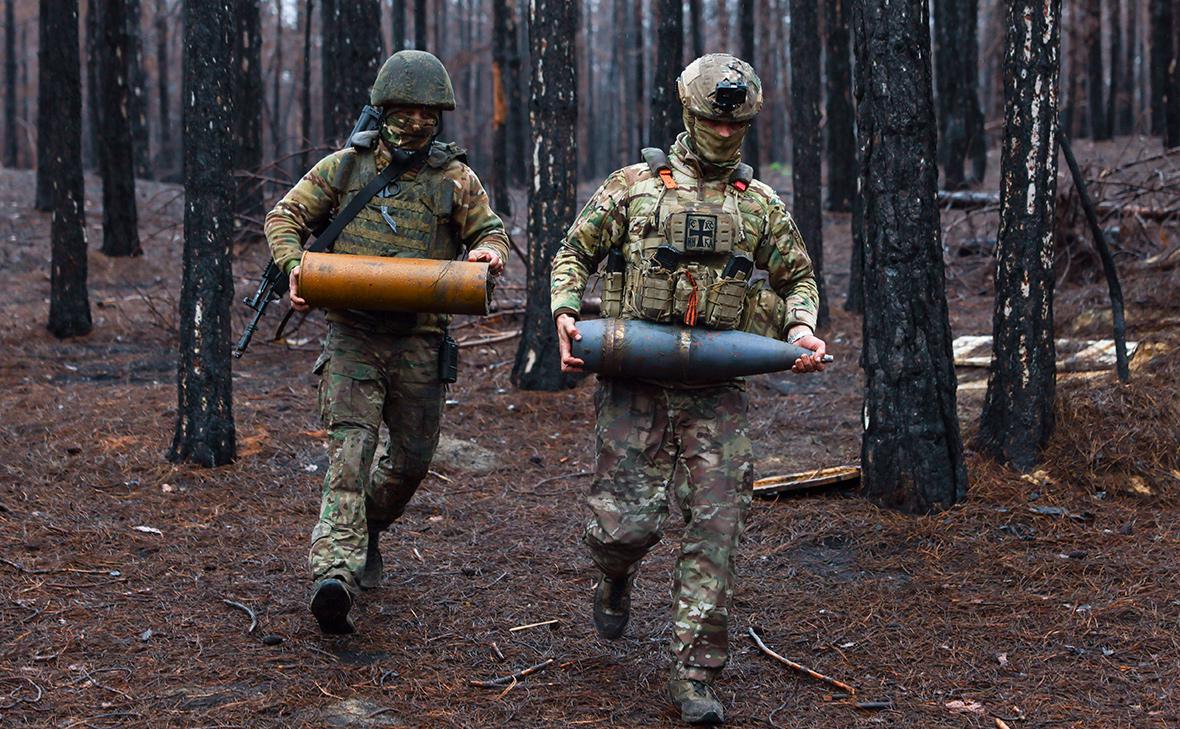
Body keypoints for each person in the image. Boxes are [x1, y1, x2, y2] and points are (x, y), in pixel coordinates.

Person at [549, 53, 826, 724]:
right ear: (688, 114)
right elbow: (572, 253)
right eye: (712, 122)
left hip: (715, 390)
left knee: (719, 526)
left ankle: (695, 676)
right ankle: (614, 572)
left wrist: (801, 325)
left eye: (738, 126)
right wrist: (564, 307)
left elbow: (799, 279)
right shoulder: (633, 187)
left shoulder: (759, 204)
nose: (725, 135)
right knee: (625, 527)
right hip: (634, 383)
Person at [264, 50, 510, 635]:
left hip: (421, 341)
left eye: (426, 111)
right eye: (403, 110)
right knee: (349, 456)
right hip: (352, 335)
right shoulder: (346, 169)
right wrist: (294, 265)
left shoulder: (455, 179)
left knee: (410, 462)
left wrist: (488, 253)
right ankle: (335, 575)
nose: (415, 122)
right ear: (384, 109)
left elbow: (491, 230)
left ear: (440, 115)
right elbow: (285, 216)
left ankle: (366, 527)